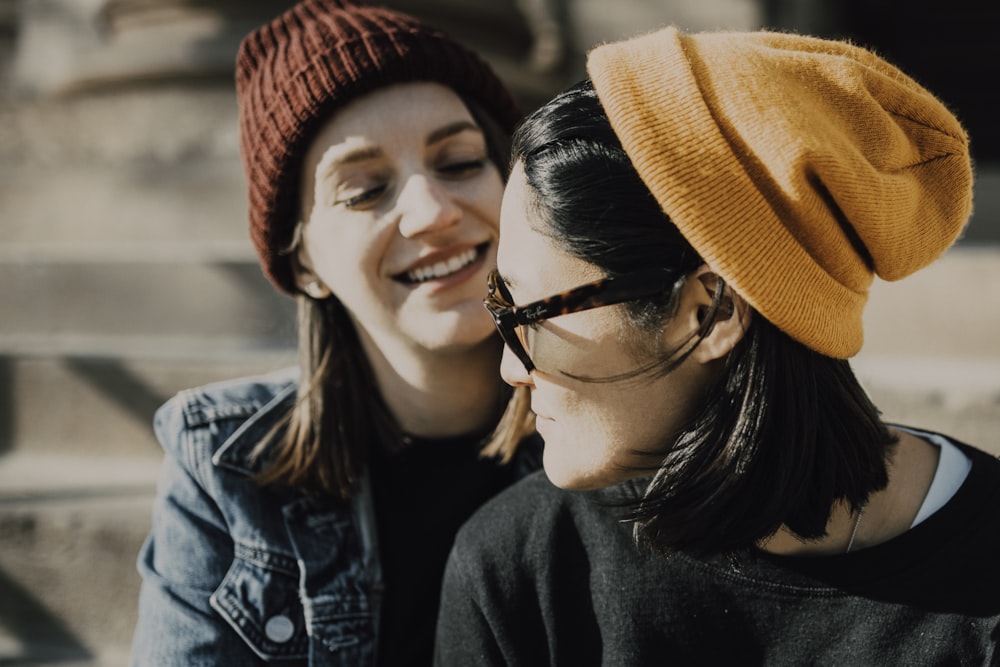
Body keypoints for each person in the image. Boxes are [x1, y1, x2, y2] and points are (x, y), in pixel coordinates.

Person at [435, 26, 1000, 665]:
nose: (511, 366)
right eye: (502, 306)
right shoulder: (525, 567)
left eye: (531, 313)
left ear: (711, 310)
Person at [129, 0, 537, 664]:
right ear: (304, 263)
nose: (432, 212)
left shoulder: (618, 426)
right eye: (365, 189)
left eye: (460, 161)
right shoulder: (227, 470)